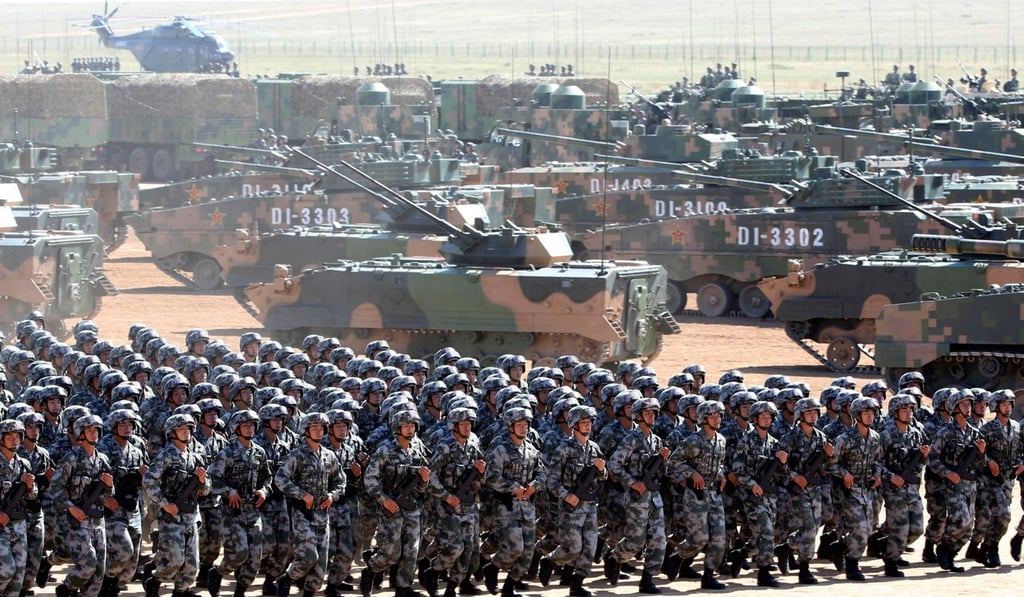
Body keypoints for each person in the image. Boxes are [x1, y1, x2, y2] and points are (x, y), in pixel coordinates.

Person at [274, 412, 345, 597]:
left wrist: (332, 495)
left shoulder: (329, 455)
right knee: (308, 556)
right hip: (303, 514)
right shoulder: (297, 455)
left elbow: (340, 481)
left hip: (323, 515)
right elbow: (280, 479)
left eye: (321, 428)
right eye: (314, 428)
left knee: (321, 565)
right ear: (306, 431)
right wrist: (302, 494)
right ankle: (287, 578)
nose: (319, 431)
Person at [360, 410, 430, 597]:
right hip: (391, 509)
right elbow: (370, 479)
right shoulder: (385, 450)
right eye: (406, 426)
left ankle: (403, 587)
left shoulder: (417, 450)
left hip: (412, 508)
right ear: (397, 428)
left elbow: (422, 488)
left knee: (411, 550)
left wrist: (424, 480)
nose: (410, 429)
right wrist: (384, 500)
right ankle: (371, 569)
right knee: (391, 553)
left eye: (412, 426)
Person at [538, 406, 606, 597]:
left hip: (590, 505)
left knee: (590, 546)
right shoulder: (564, 449)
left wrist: (602, 470)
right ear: (574, 425)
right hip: (571, 507)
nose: (588, 425)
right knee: (573, 547)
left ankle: (577, 584)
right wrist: (566, 495)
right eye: (583, 422)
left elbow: (604, 477)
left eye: (589, 422)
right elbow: (551, 479)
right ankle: (550, 561)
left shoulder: (594, 448)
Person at [604, 396, 669, 593]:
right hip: (637, 499)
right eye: (647, 413)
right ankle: (615, 557)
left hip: (654, 498)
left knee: (659, 540)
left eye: (653, 413)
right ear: (638, 416)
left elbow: (663, 472)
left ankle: (647, 579)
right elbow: (613, 465)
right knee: (635, 542)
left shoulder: (656, 440)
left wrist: (664, 460)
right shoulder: (631, 440)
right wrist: (632, 482)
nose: (651, 416)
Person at [142, 414, 210, 597]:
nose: (186, 432)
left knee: (192, 564)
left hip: (191, 514)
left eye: (188, 429)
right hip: (172, 516)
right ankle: (154, 580)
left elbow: (206, 489)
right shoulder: (166, 456)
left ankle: (180, 591)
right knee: (175, 560)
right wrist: (165, 504)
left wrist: (202, 481)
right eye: (181, 429)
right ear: (172, 433)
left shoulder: (195, 457)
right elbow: (149, 481)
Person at [207, 409, 272, 597]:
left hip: (253, 511)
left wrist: (264, 491)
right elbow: (212, 479)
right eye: (245, 425)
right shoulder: (227, 453)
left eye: (252, 425)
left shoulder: (259, 452)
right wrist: (229, 492)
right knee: (239, 553)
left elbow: (267, 477)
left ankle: (240, 591)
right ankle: (218, 572)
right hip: (232, 512)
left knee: (255, 557)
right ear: (237, 428)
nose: (250, 428)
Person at [666, 400, 729, 590]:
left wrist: (721, 474)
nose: (717, 419)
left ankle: (708, 576)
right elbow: (672, 463)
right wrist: (692, 473)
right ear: (703, 419)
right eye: (712, 416)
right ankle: (677, 557)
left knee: (719, 538)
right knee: (700, 538)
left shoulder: (721, 440)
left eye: (719, 416)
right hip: (695, 494)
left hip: (714, 493)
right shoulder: (693, 441)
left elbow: (719, 462)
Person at [482, 406, 543, 597]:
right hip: (506, 507)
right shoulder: (501, 450)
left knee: (528, 553)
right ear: (510, 427)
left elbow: (542, 474)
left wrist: (534, 485)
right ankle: (492, 568)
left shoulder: (531, 450)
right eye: (519, 425)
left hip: (527, 508)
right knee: (515, 548)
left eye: (526, 425)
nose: (524, 428)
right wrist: (513, 487)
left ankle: (509, 585)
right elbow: (491, 477)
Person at [52, 414, 112, 597]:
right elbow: (54, 488)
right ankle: (66, 588)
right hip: (78, 520)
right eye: (89, 430)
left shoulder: (102, 459)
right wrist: (71, 507)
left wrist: (110, 485)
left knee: (99, 571)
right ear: (80, 433)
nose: (94, 434)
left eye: (96, 430)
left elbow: (109, 494)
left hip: (98, 520)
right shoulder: (71, 458)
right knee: (88, 565)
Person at [777, 398, 832, 584]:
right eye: (809, 412)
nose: (813, 416)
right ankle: (804, 568)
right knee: (808, 528)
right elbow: (779, 466)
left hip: (815, 489)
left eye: (815, 412)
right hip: (797, 491)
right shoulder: (789, 438)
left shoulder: (821, 437)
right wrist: (794, 476)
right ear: (800, 415)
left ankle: (786, 547)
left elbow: (827, 466)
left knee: (813, 528)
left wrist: (830, 456)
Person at [831, 398, 886, 580]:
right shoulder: (844, 439)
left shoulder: (875, 437)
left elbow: (878, 461)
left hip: (866, 491)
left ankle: (840, 546)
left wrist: (877, 475)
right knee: (860, 530)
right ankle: (852, 565)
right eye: (866, 413)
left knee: (869, 529)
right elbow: (830, 464)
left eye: (872, 413)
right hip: (848, 492)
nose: (870, 417)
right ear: (857, 415)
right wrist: (844, 473)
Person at [877, 394, 928, 578]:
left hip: (912, 489)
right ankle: (891, 562)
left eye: (911, 410)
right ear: (895, 412)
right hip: (894, 491)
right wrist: (891, 477)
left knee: (917, 529)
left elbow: (923, 463)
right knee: (901, 528)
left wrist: (924, 456)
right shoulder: (886, 435)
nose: (908, 413)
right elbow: (875, 463)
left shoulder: (916, 434)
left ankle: (888, 544)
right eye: (904, 410)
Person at [0, 419, 37, 596]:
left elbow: (32, 496)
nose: (14, 440)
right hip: (1, 526)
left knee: (18, 577)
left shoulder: (24, 464)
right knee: (6, 572)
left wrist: (30, 487)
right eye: (9, 437)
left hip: (19, 525)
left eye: (17, 436)